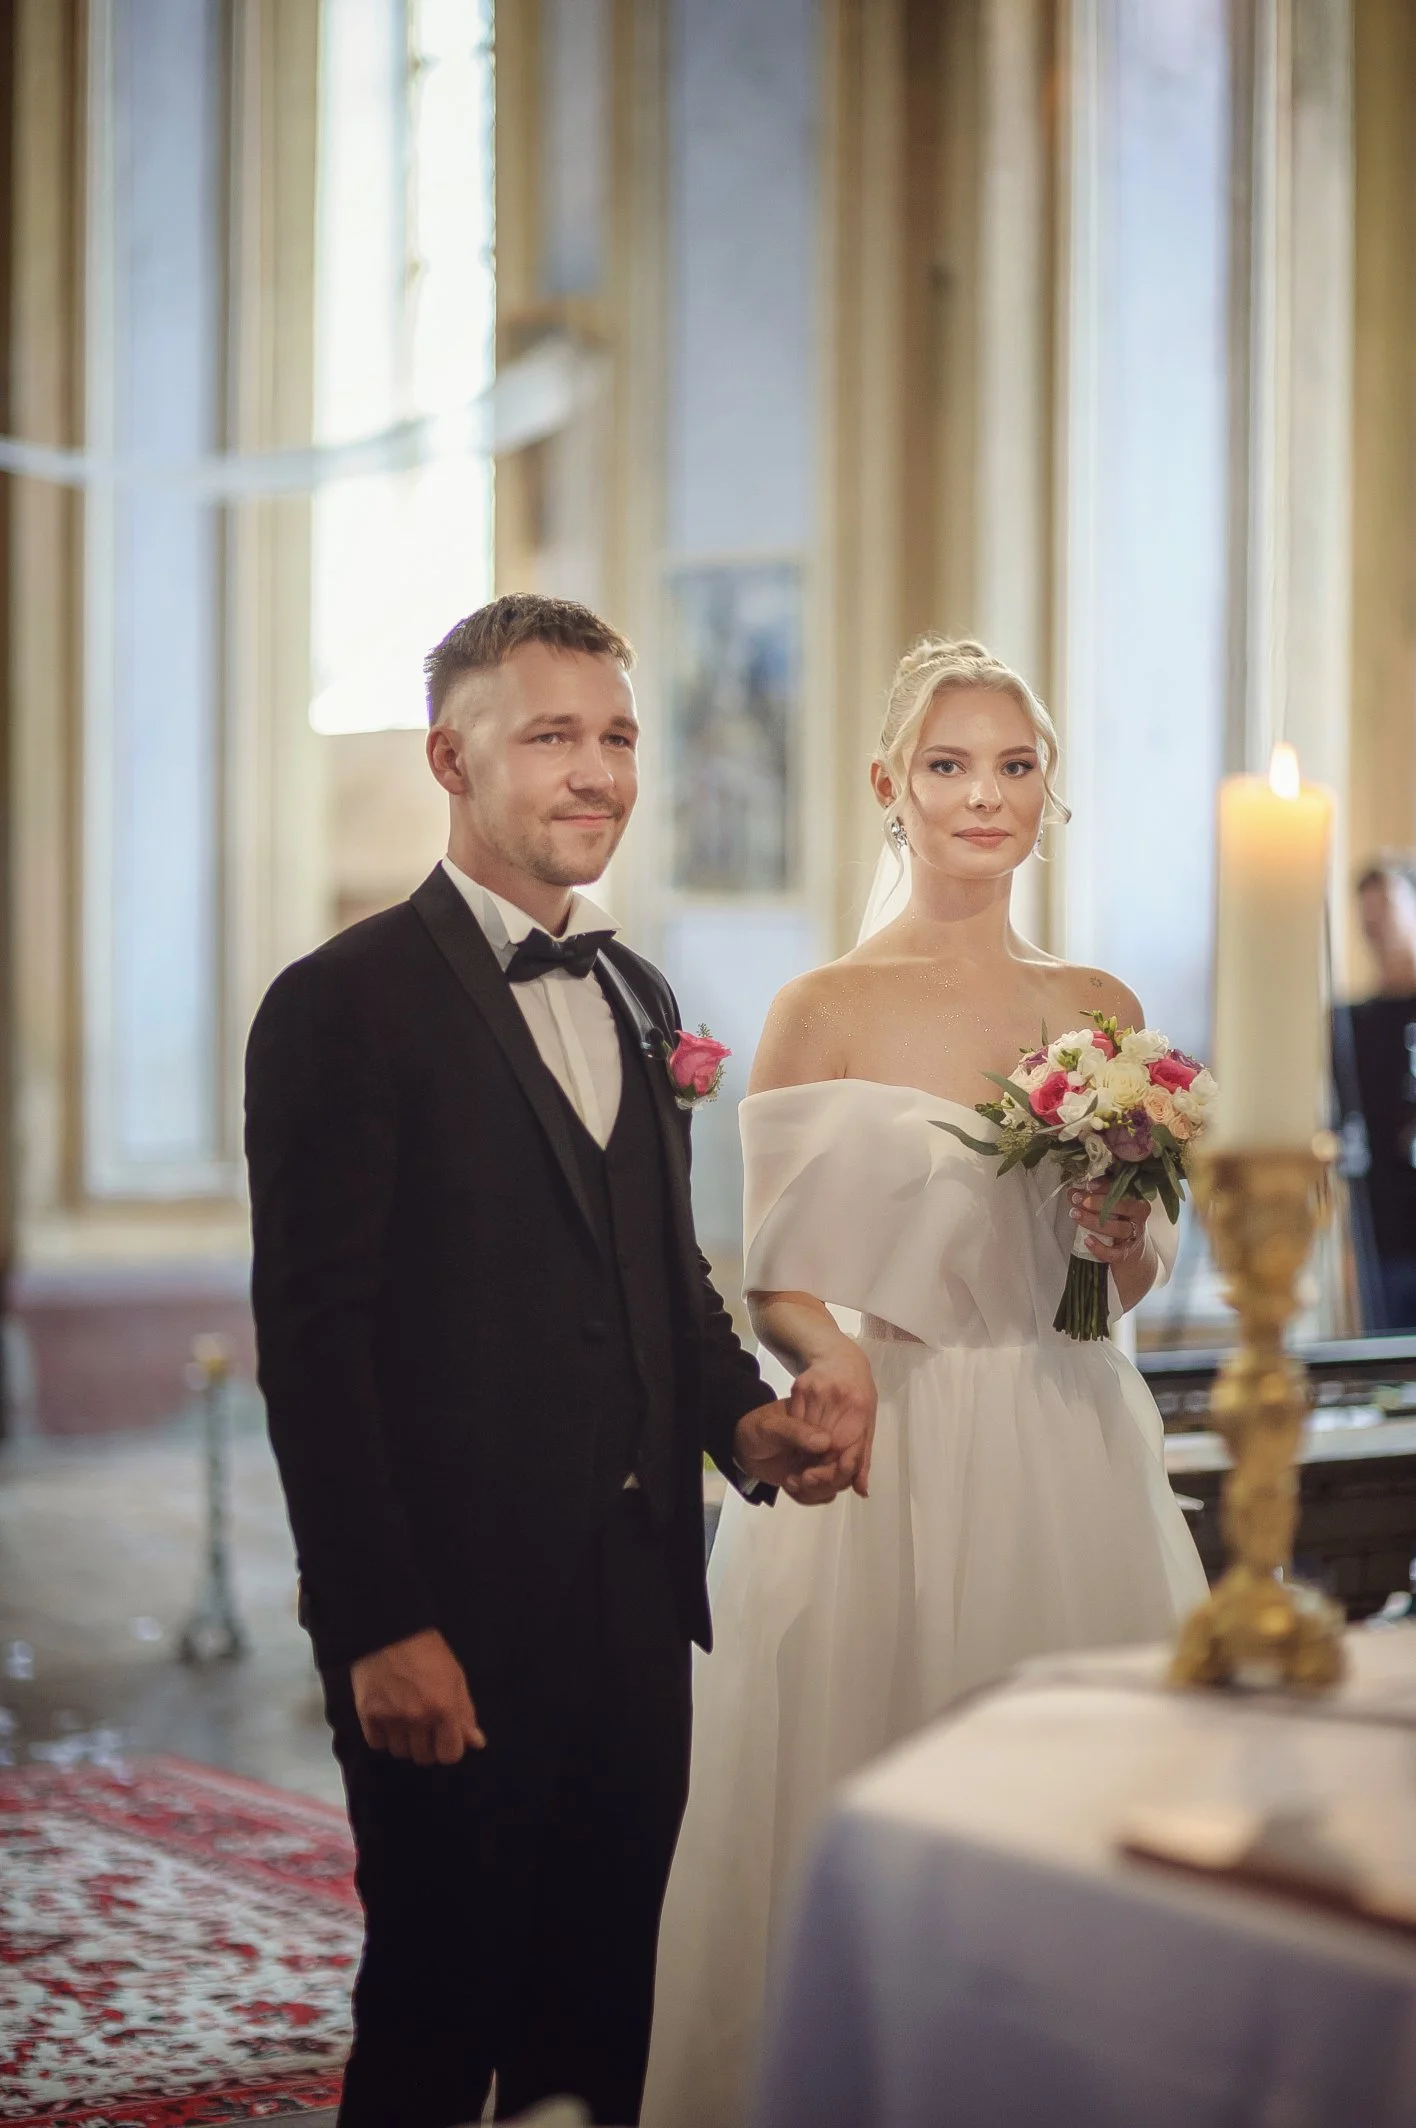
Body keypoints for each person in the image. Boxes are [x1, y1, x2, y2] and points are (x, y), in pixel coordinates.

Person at [244, 595, 867, 2128]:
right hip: (448, 1625)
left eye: (618, 737)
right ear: (450, 759)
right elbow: (313, 1354)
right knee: (434, 2026)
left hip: (640, 1618)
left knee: (598, 2032)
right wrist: (382, 1625)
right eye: (550, 737)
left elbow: (664, 1283)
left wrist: (751, 1428)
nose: (597, 772)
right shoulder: (340, 1005)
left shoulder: (640, 996)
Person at [642, 637, 1208, 2128]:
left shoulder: (1097, 1000)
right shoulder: (822, 1006)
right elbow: (777, 1280)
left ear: (1048, 792)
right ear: (890, 786)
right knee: (880, 1782)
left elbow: (1126, 1275)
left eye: (1015, 767)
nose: (984, 796)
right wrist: (827, 1362)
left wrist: (1119, 1238)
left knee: (1078, 1808)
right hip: (895, 1441)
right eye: (950, 766)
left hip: (1068, 1433)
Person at [1340, 858, 1416, 1328]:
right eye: (1367, 912)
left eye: (1385, 906)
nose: (1376, 923)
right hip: (1383, 1234)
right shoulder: (1353, 1024)